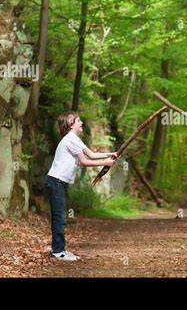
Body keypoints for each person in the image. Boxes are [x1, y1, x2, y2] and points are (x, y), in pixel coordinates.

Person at [46, 111, 118, 261]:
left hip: (59, 182)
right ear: (71, 124)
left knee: (60, 216)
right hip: (56, 181)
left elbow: (91, 154)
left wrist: (110, 154)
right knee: (59, 217)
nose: (82, 123)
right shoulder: (70, 139)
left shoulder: (74, 139)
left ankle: (60, 249)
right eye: (79, 121)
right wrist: (105, 163)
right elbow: (85, 161)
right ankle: (58, 252)